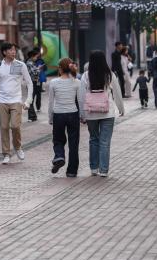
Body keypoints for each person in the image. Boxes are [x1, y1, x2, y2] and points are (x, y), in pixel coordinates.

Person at [79, 50, 125, 178]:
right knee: (105, 142)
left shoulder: (85, 75)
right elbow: (117, 92)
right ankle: (104, 170)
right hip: (107, 112)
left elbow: (81, 96)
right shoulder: (110, 74)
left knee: (93, 139)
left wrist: (82, 114)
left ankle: (94, 168)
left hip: (91, 112)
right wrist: (121, 108)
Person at [0, 42, 33, 165]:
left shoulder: (21, 65)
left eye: (14, 50)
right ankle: (6, 153)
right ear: (4, 52)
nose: (14, 52)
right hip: (1, 101)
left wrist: (28, 101)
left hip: (16, 100)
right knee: (4, 128)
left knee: (15, 126)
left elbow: (29, 83)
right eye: (11, 50)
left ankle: (18, 147)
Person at [47, 58, 81, 177]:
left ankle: (59, 156)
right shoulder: (77, 82)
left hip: (59, 114)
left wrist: (50, 117)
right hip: (73, 114)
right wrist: (83, 116)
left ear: (60, 69)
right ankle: (72, 171)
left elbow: (51, 102)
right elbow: (80, 101)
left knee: (58, 139)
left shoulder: (53, 82)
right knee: (74, 143)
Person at [25, 49, 42, 121]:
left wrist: (37, 69)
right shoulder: (29, 63)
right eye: (36, 57)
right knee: (30, 99)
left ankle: (33, 116)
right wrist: (39, 69)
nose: (36, 58)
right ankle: (31, 116)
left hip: (34, 82)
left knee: (31, 99)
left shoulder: (31, 63)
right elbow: (34, 73)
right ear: (32, 56)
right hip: (31, 83)